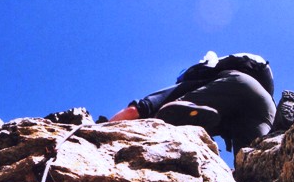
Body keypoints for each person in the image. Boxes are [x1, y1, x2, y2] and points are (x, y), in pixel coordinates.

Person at [110, 51, 279, 159]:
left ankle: (187, 114)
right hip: (265, 105)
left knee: (169, 113)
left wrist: (101, 129)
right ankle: (281, 133)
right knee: (252, 164)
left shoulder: (195, 80)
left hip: (236, 82)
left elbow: (135, 110)